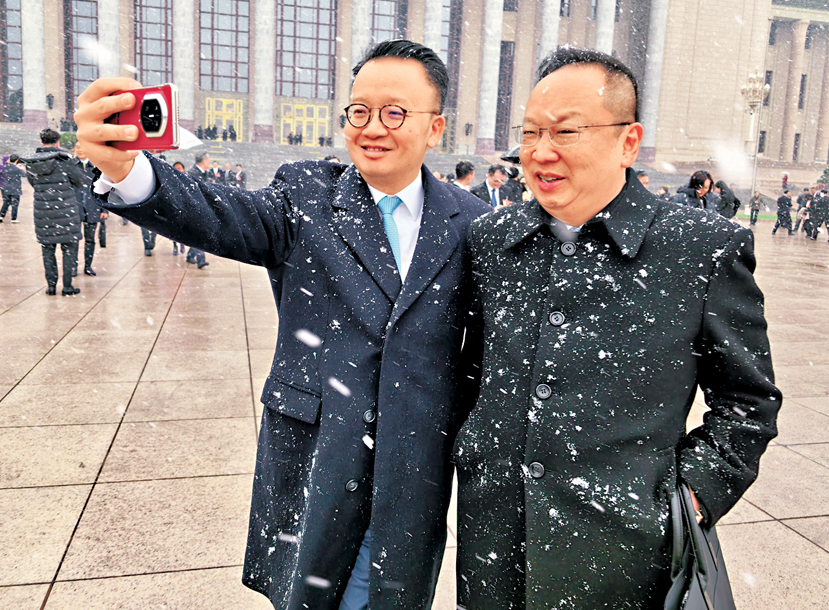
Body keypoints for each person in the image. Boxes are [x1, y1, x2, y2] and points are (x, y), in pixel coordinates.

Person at [75, 39, 490, 610]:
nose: (372, 128)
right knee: (312, 594)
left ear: (435, 128)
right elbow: (218, 213)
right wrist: (128, 169)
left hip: (410, 471)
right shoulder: (308, 196)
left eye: (395, 112)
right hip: (317, 453)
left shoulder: (472, 223)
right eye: (359, 111)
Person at [455, 47, 780, 609]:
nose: (539, 152)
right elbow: (477, 372)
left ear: (628, 142)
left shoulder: (698, 249)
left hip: (625, 556)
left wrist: (688, 498)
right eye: (529, 133)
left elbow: (748, 403)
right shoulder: (492, 241)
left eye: (565, 132)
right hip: (496, 545)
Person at [22, 128, 91, 296]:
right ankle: (67, 287)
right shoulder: (65, 161)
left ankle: (51, 286)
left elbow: (33, 183)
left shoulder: (32, 163)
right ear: (58, 143)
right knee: (69, 250)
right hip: (66, 212)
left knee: (48, 251)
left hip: (43, 213)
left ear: (41, 143)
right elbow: (79, 180)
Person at [73, 141, 108, 275]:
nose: (80, 150)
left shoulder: (96, 167)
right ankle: (73, 267)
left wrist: (104, 209)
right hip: (75, 209)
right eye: (77, 147)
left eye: (82, 147)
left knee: (90, 239)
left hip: (92, 208)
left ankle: (88, 266)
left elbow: (103, 189)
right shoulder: (71, 166)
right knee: (74, 240)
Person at [0, 155, 24, 223]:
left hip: (7, 187)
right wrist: (21, 169)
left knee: (6, 202)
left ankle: (1, 216)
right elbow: (24, 174)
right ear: (17, 161)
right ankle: (13, 218)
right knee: (15, 204)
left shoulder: (5, 167)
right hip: (15, 188)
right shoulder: (17, 169)